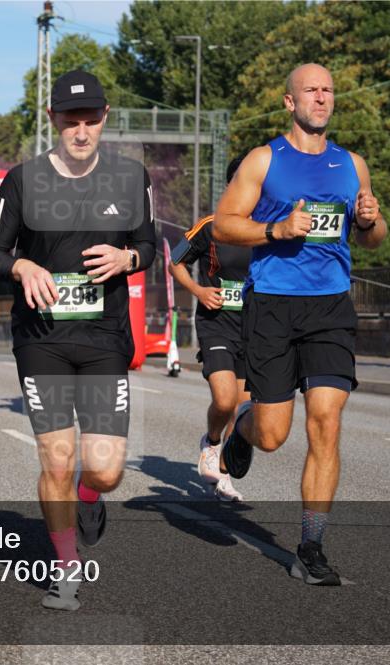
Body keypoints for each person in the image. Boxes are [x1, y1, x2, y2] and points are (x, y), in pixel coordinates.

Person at [0, 70, 157, 610]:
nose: (80, 131)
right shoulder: (22, 180)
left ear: (104, 119)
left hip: (104, 337)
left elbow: (149, 245)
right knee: (56, 458)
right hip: (42, 339)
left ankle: (88, 499)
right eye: (70, 120)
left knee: (104, 469)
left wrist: (128, 258)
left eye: (90, 120)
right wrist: (21, 265)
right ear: (53, 120)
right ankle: (65, 568)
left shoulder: (130, 179)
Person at [213, 63, 388, 586]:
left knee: (326, 424)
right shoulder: (264, 160)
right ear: (289, 102)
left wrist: (371, 219)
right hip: (272, 304)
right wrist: (277, 228)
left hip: (330, 306)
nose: (321, 97)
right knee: (273, 435)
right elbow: (223, 224)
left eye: (328, 89)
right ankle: (242, 430)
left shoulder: (352, 164)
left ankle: (310, 547)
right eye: (311, 90)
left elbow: (375, 238)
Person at [168, 155, 250, 502]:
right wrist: (200, 291)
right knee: (225, 398)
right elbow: (175, 261)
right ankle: (211, 443)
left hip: (256, 326)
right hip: (217, 324)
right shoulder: (211, 225)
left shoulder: (272, 228)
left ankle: (226, 473)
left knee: (244, 409)